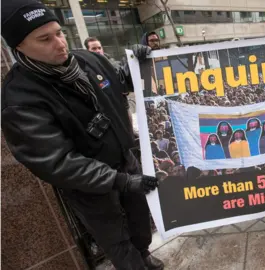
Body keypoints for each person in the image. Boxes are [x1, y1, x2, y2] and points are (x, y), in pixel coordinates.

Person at [1, 1, 164, 269]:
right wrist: (118, 181)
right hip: (90, 185)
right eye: (45, 39)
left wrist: (140, 63)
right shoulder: (20, 99)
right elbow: (57, 163)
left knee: (139, 220)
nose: (60, 44)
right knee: (114, 237)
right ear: (18, 46)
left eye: (59, 33)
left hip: (126, 162)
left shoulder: (88, 60)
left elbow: (122, 80)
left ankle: (144, 254)